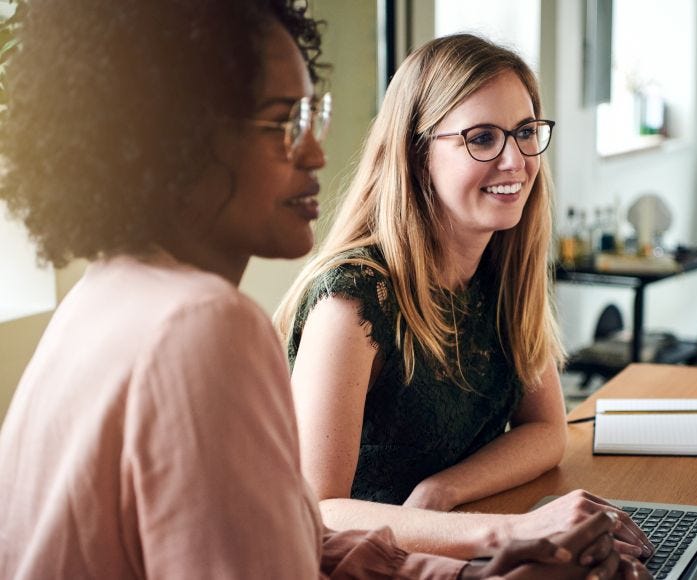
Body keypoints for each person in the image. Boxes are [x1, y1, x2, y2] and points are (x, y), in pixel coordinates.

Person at [0, 2, 646, 578]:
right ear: (180, 139)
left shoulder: (105, 291)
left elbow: (297, 543)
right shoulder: (203, 322)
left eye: (313, 115)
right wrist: (499, 537)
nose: (315, 151)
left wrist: (473, 569)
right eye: (284, 121)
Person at [274, 33, 653, 561]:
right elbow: (316, 509)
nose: (515, 160)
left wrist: (443, 491)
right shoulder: (355, 296)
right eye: (481, 138)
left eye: (524, 132)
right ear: (417, 150)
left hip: (452, 549)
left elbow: (546, 430)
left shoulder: (503, 264)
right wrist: (508, 531)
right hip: (375, 566)